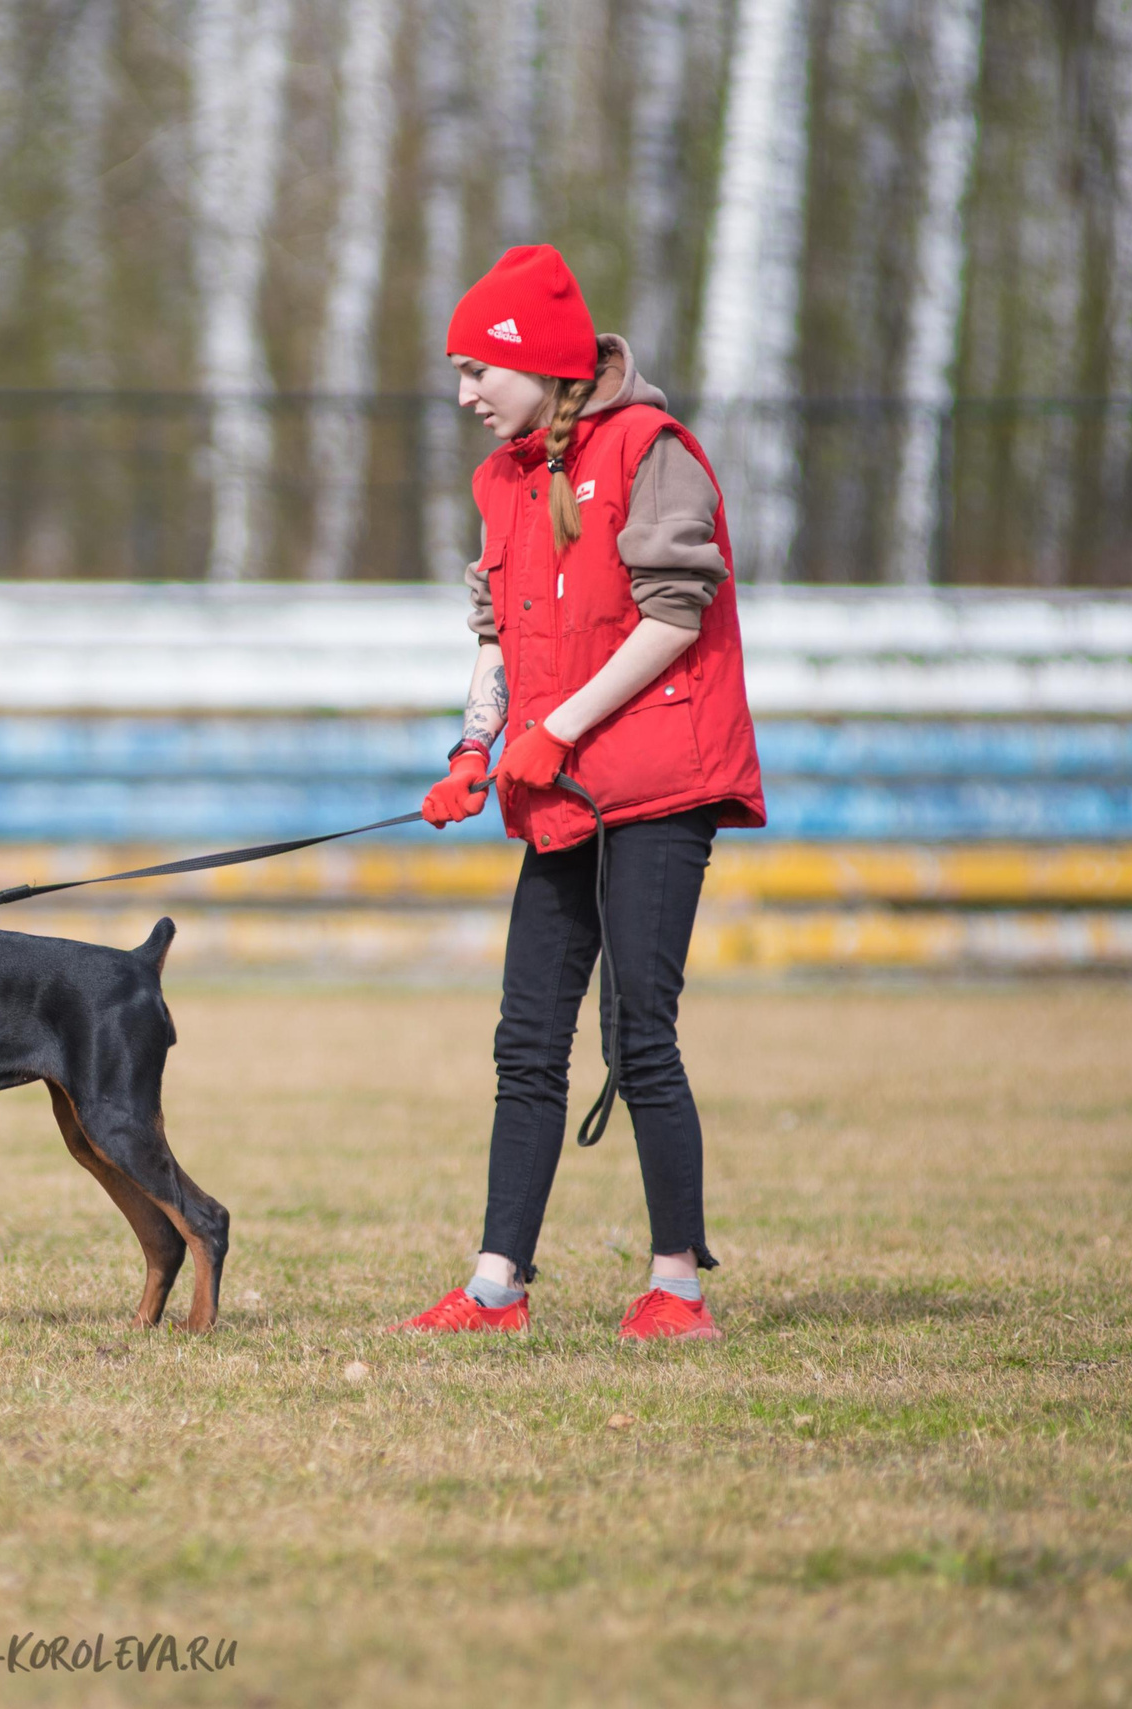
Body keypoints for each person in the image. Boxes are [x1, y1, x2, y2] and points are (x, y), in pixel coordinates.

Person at [393, 245, 764, 1342]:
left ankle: (676, 1288)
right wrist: (474, 747)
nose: (464, 395)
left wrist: (552, 727)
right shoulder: (503, 476)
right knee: (524, 1041)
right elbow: (497, 631)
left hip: (655, 789)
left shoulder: (651, 452)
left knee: (638, 1034)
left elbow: (673, 615)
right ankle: (497, 1286)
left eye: (477, 371)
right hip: (560, 796)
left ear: (537, 364)